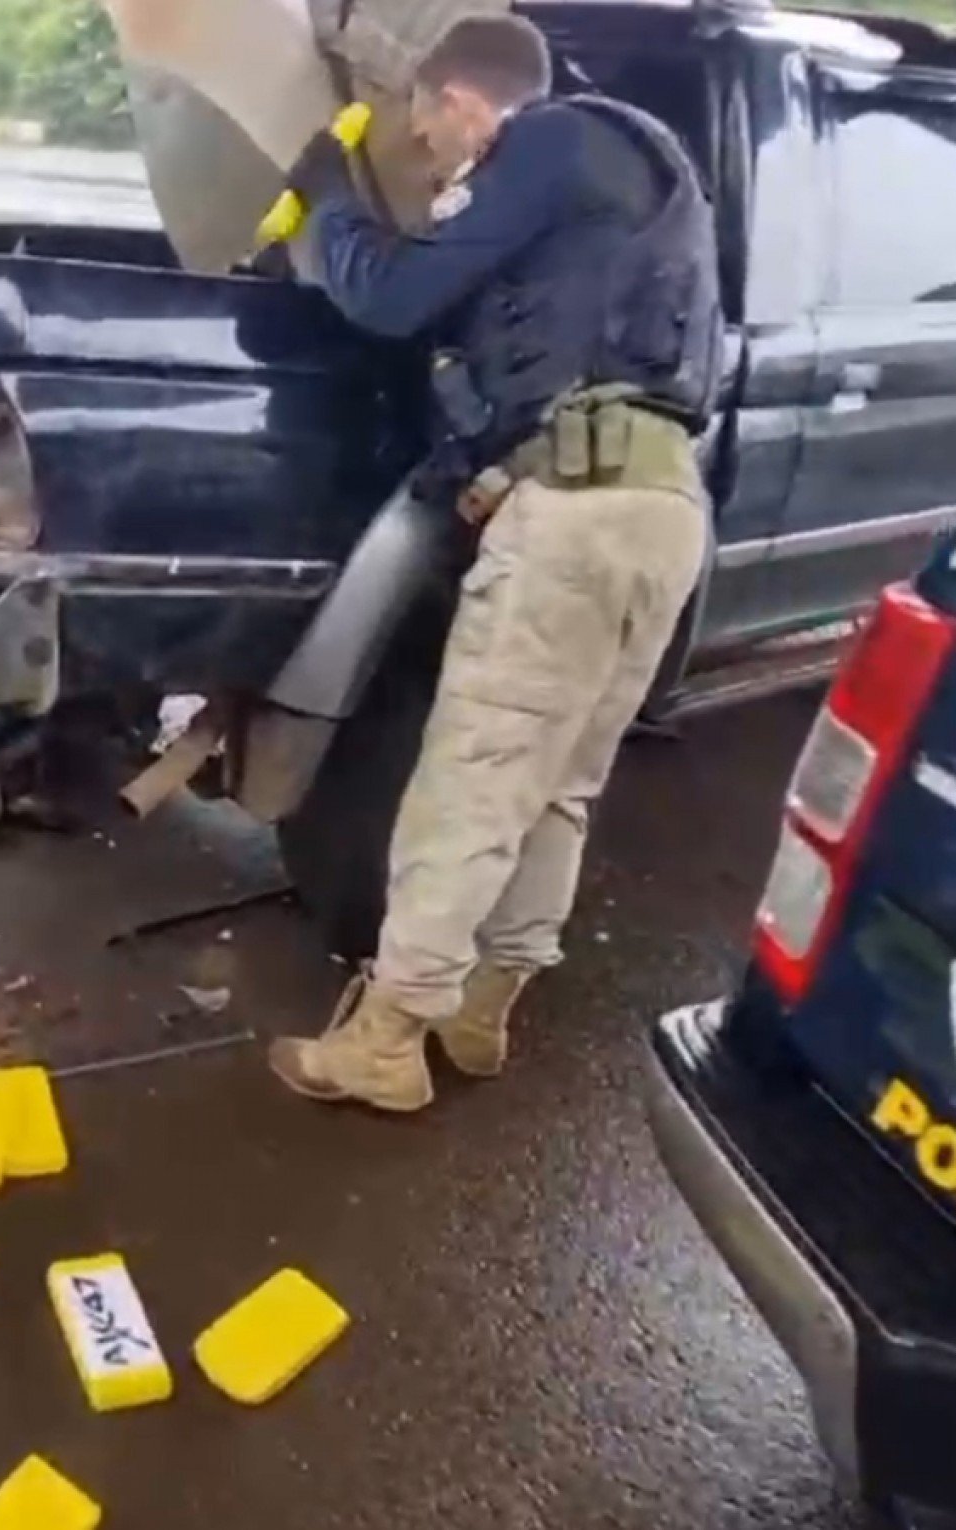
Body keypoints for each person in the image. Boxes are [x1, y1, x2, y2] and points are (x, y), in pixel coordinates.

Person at [267, 15, 722, 1111]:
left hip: (577, 516)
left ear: (463, 98)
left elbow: (386, 296)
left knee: (471, 779)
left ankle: (386, 1039)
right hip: (661, 506)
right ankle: (481, 1014)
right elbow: (552, 353)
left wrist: (329, 201)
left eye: (425, 127)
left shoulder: (547, 143)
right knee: (559, 785)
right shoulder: (640, 174)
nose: (428, 153)